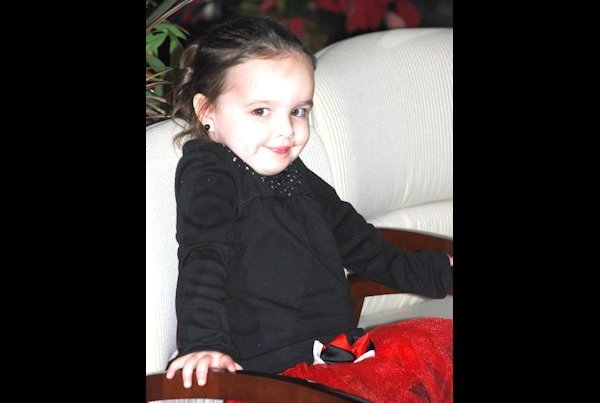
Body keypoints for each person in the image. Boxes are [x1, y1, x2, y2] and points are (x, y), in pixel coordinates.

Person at [165, 15, 453, 391]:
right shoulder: (210, 171)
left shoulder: (296, 175)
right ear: (207, 112)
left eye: (298, 111)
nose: (286, 130)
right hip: (275, 379)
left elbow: (363, 246)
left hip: (343, 355)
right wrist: (203, 343)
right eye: (260, 111)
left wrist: (439, 272)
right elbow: (203, 257)